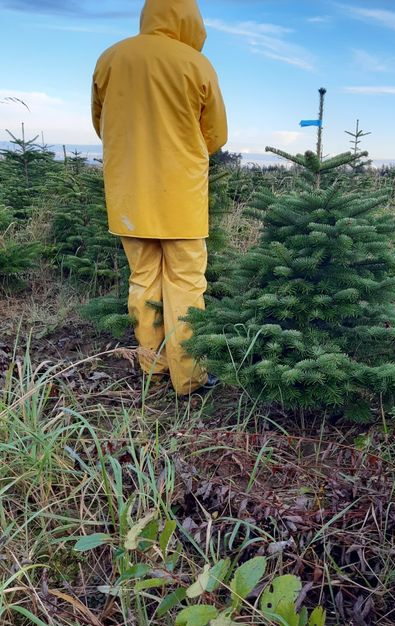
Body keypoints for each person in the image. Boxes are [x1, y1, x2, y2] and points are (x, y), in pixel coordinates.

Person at [91, 0, 228, 395]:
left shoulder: (110, 59)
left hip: (129, 196)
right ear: (191, 21)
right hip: (180, 198)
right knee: (185, 284)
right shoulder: (195, 64)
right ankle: (190, 380)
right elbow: (216, 135)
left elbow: (102, 123)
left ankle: (153, 369)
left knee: (143, 280)